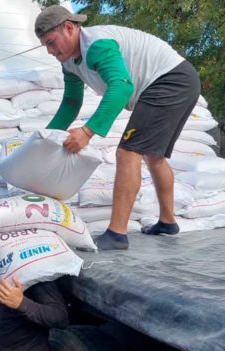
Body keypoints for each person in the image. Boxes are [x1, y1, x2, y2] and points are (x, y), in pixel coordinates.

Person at [35, 5, 201, 250]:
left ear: (69, 28)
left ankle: (116, 234)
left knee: (127, 152)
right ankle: (168, 222)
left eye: (51, 42)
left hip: (171, 79)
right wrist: (45, 138)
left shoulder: (97, 45)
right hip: (178, 80)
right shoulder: (69, 61)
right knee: (153, 156)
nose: (50, 51)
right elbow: (71, 102)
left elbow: (122, 87)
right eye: (45, 46)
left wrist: (88, 131)